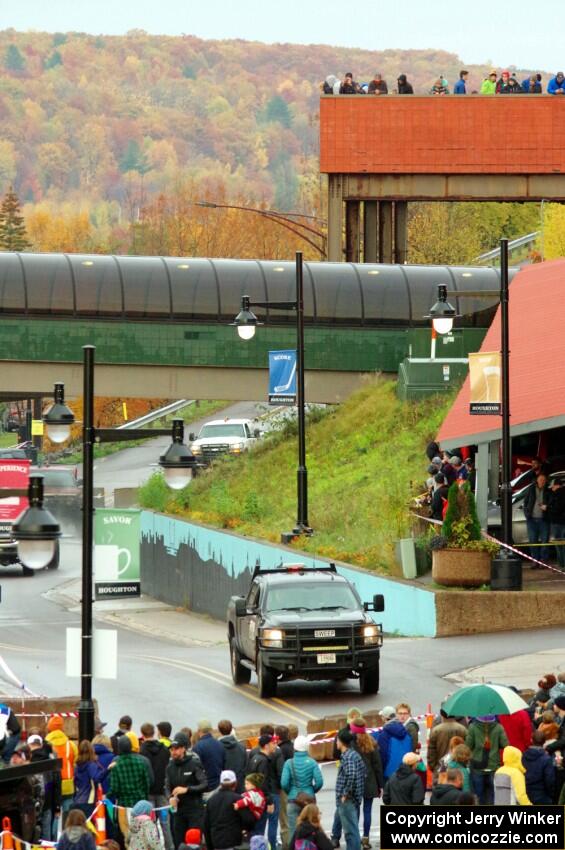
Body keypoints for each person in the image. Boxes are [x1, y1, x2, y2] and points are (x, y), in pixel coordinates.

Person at [166, 731, 208, 847]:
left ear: (183, 749)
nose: (173, 752)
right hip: (178, 811)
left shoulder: (194, 763)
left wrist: (187, 789)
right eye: (172, 749)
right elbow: (167, 786)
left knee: (194, 843)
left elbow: (204, 784)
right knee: (179, 843)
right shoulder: (170, 767)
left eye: (176, 749)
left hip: (194, 810)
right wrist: (170, 797)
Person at [281, 735, 323, 841]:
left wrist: (290, 791)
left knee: (293, 831)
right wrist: (312, 790)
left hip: (293, 799)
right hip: (309, 800)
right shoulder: (312, 762)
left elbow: (284, 783)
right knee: (311, 829)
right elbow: (319, 782)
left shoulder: (289, 763)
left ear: (294, 748)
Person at [141, 723, 173, 850]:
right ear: (154, 732)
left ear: (142, 734)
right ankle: (169, 847)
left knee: (150, 824)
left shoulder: (142, 751)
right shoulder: (164, 750)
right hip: (162, 791)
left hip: (148, 793)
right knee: (165, 823)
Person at [247, 734, 282, 850]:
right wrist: (269, 801)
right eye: (273, 743)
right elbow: (263, 783)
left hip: (254, 798)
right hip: (262, 799)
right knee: (261, 829)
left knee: (256, 829)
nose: (275, 746)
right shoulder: (263, 761)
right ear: (266, 745)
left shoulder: (255, 757)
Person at [352, 721, 382, 850]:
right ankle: (366, 838)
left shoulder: (352, 744)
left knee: (356, 810)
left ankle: (356, 838)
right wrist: (380, 785)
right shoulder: (372, 743)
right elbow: (377, 766)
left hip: (356, 782)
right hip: (370, 782)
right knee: (367, 810)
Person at [465, 715, 508, 805]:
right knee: (493, 794)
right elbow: (505, 744)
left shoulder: (472, 727)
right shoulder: (498, 727)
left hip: (477, 766)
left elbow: (468, 746)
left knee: (478, 795)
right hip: (494, 765)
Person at [335, 730, 365, 850]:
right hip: (353, 798)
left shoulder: (348, 757)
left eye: (337, 740)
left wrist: (345, 793)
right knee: (353, 830)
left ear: (342, 742)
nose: (336, 742)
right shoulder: (354, 755)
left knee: (350, 832)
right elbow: (363, 773)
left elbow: (351, 775)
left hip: (347, 800)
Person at [29, 733, 62, 841]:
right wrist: (57, 805)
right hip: (48, 800)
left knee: (32, 834)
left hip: (32, 803)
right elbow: (57, 783)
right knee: (46, 832)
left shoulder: (28, 762)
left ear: (30, 745)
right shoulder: (51, 760)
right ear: (41, 745)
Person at [45, 715, 79, 819]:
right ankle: (67, 833)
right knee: (67, 815)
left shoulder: (46, 744)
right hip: (68, 785)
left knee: (54, 815)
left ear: (49, 728)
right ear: (62, 728)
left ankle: (54, 835)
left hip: (52, 785)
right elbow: (75, 762)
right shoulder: (70, 745)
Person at [203, 769, 245, 850]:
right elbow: (248, 820)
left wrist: (209, 845)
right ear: (235, 783)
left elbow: (206, 825)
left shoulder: (211, 801)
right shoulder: (239, 799)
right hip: (235, 842)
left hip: (216, 842)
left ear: (221, 784)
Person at [110, 735, 150, 810]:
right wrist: (145, 798)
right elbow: (146, 784)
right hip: (140, 803)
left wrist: (107, 797)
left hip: (124, 804)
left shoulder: (116, 765)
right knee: (140, 822)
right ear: (130, 746)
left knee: (125, 822)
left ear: (119, 748)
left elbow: (114, 788)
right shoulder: (140, 762)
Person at [72, 740, 107, 819]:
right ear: (91, 750)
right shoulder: (91, 765)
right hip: (89, 800)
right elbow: (97, 778)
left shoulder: (77, 766)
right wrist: (107, 770)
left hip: (77, 800)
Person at [427, 711, 467, 776]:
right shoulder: (463, 729)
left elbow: (431, 751)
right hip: (459, 768)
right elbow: (467, 748)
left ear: (442, 716)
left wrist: (433, 767)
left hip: (440, 768)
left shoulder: (436, 730)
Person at [377, 710, 413, 781]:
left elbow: (383, 755)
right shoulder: (405, 730)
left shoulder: (384, 734)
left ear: (385, 718)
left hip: (389, 773)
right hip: (406, 771)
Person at [522, 730, 555, 804]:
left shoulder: (524, 756)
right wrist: (551, 795)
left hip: (526, 794)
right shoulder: (547, 759)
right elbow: (550, 780)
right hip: (542, 796)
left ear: (531, 740)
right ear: (544, 742)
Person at [524, 472, 551, 562]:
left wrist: (547, 507)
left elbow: (551, 503)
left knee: (545, 542)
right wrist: (527, 514)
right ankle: (535, 561)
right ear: (537, 480)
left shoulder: (548, 491)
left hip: (544, 520)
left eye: (543, 480)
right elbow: (525, 502)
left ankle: (543, 561)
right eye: (540, 480)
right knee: (532, 541)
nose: (542, 481)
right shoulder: (531, 489)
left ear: (546, 481)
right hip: (531, 520)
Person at [193, 719, 225, 793]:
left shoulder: (197, 747)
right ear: (211, 730)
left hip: (206, 786)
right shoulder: (219, 744)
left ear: (199, 730)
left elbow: (196, 768)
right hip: (219, 783)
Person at [234, 773, 268, 837]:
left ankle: (244, 831)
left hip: (253, 815)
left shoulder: (254, 794)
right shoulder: (257, 792)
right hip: (255, 816)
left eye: (247, 784)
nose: (245, 785)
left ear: (254, 785)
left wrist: (237, 804)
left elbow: (247, 800)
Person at [218, 720, 247, 792]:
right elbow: (246, 765)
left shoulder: (217, 747)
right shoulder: (241, 747)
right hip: (239, 784)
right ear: (231, 729)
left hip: (224, 785)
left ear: (219, 731)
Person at [546, 478, 565, 570]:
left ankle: (562, 564)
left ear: (557, 485)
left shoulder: (558, 494)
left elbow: (557, 509)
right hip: (561, 522)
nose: (552, 488)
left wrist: (547, 508)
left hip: (558, 522)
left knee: (559, 544)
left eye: (553, 486)